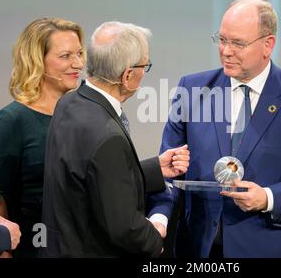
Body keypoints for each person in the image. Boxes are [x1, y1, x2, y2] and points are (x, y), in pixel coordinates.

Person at [148, 0, 281, 258]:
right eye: (223, 39)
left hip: (268, 248)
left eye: (238, 43)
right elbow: (169, 170)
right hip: (198, 249)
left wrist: (268, 198)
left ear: (268, 45)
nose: (226, 51)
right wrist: (159, 218)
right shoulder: (192, 89)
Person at [41, 21, 190, 258]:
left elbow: (91, 178)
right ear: (128, 75)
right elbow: (123, 226)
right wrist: (156, 240)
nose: (144, 72)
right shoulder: (108, 135)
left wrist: (154, 169)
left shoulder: (70, 103)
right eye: (145, 65)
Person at [0, 18, 85, 257]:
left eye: (80, 53)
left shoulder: (83, 117)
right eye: (65, 56)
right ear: (37, 61)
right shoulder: (13, 120)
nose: (78, 64)